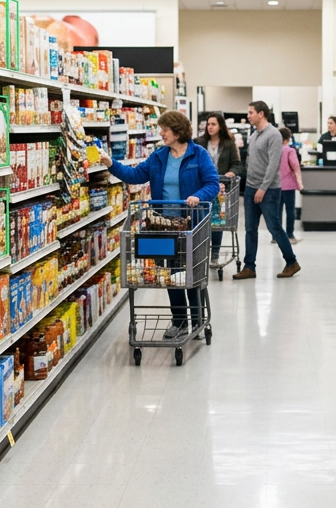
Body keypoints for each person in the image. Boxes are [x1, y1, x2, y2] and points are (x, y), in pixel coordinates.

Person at [101, 109, 219, 339]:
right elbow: (135, 175)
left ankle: (196, 320)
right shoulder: (158, 156)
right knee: (172, 275)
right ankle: (179, 321)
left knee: (192, 274)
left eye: (165, 129)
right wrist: (110, 163)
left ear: (177, 131)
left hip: (191, 225)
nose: (161, 133)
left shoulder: (198, 154)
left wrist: (198, 195)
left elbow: (213, 184)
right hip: (163, 225)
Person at [233, 101, 300, 279]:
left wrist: (263, 188)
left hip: (268, 190)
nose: (248, 116)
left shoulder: (274, 135)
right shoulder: (255, 134)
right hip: (250, 188)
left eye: (251, 112)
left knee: (274, 227)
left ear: (261, 114)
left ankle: (291, 262)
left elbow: (273, 165)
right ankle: (249, 267)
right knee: (250, 229)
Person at [195, 112, 243, 264]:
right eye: (208, 124)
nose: (210, 127)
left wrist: (230, 173)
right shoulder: (198, 143)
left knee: (218, 221)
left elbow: (238, 164)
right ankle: (200, 253)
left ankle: (215, 254)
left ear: (220, 126)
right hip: (202, 188)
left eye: (213, 124)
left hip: (222, 189)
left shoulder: (229, 144)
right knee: (200, 220)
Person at [278, 126, 303, 243]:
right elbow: (296, 167)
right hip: (289, 185)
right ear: (288, 139)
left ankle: (276, 236)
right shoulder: (290, 151)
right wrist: (300, 184)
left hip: (276, 185)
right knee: (290, 210)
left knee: (277, 210)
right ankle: (290, 235)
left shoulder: (273, 150)